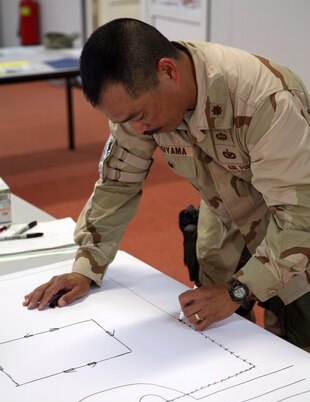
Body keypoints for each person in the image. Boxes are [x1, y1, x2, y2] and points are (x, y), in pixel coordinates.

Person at [23, 18, 310, 350]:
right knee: (225, 342)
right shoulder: (140, 104)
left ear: (168, 72)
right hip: (224, 219)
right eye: (124, 121)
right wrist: (87, 265)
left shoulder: (264, 100)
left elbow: (298, 216)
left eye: (139, 115)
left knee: (294, 343)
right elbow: (117, 183)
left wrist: (238, 291)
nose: (139, 130)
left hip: (294, 234)